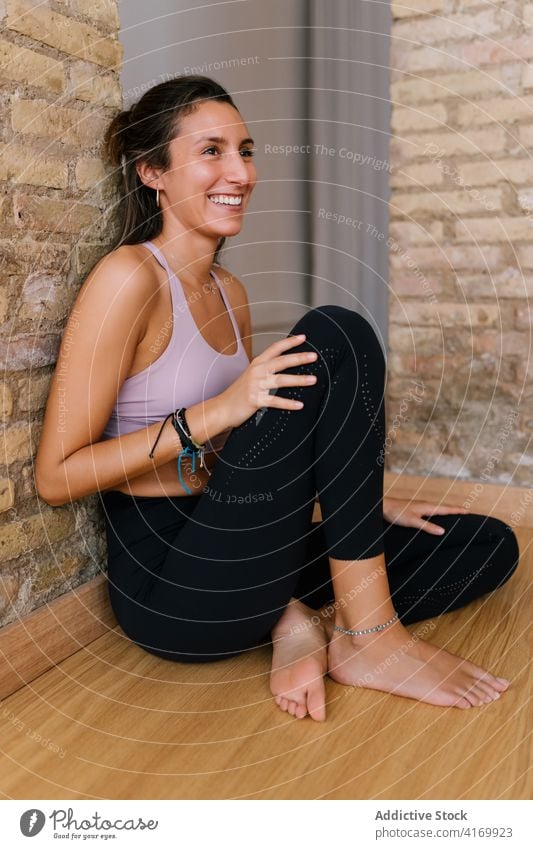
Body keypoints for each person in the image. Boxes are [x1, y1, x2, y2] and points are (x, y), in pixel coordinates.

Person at [35, 75, 519, 723]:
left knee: (483, 543)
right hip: (171, 586)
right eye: (211, 151)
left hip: (239, 534)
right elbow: (56, 476)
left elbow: (256, 453)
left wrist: (358, 502)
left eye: (245, 149)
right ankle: (368, 637)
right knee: (334, 333)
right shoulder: (127, 279)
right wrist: (218, 410)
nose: (239, 170)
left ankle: (301, 619)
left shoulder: (229, 291)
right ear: (154, 172)